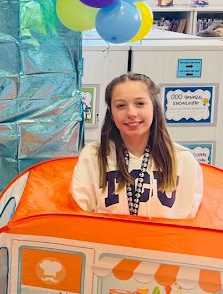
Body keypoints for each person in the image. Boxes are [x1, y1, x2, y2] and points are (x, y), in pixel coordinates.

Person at [72, 72, 204, 218]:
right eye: (121, 105)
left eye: (140, 104)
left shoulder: (183, 160)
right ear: (111, 113)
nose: (131, 113)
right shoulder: (93, 156)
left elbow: (187, 220)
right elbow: (80, 217)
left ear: (154, 107)